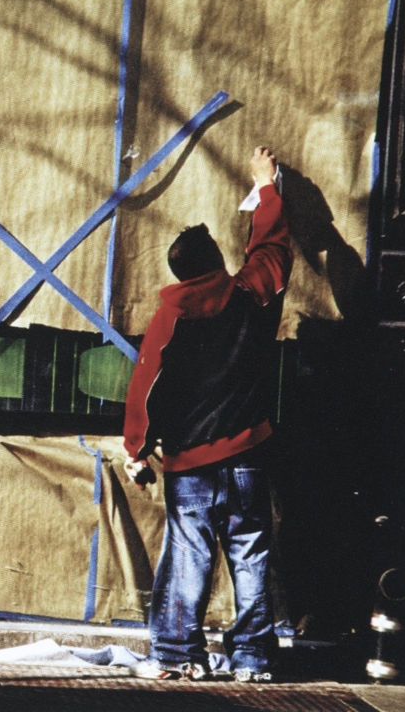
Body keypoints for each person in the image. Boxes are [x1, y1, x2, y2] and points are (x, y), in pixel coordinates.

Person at [122, 145, 293, 682]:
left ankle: (179, 656)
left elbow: (145, 391)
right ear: (218, 262)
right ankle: (253, 662)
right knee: (251, 554)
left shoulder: (168, 319)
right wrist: (266, 186)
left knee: (189, 556)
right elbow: (272, 251)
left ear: (178, 273)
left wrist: (136, 451)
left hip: (191, 463)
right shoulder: (250, 297)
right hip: (248, 454)